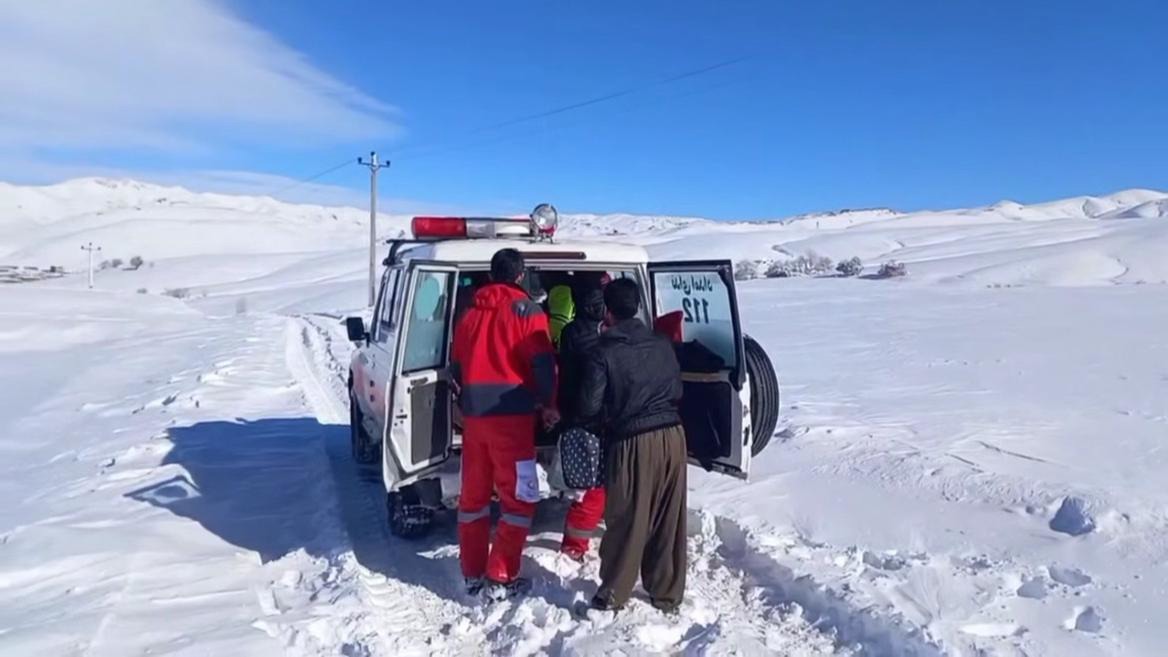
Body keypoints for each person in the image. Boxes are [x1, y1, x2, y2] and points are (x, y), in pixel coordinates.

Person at [450, 248, 558, 600]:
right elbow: (543, 365)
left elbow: (456, 366)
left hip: (475, 420)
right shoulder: (527, 312)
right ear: (519, 276)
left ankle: (472, 571)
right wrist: (548, 403)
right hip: (511, 421)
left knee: (474, 498)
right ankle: (501, 574)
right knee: (520, 499)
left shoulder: (469, 314)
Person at [577, 278, 687, 614]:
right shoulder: (662, 343)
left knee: (627, 516)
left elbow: (588, 407)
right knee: (668, 517)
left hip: (633, 441)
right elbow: (678, 388)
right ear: (637, 306)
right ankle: (666, 593)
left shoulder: (603, 352)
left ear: (607, 313)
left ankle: (613, 592)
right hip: (673, 436)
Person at [555, 278, 608, 561]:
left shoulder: (570, 333)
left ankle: (575, 546)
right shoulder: (609, 336)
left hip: (577, 417)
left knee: (589, 488)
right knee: (595, 489)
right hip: (600, 421)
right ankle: (574, 546)